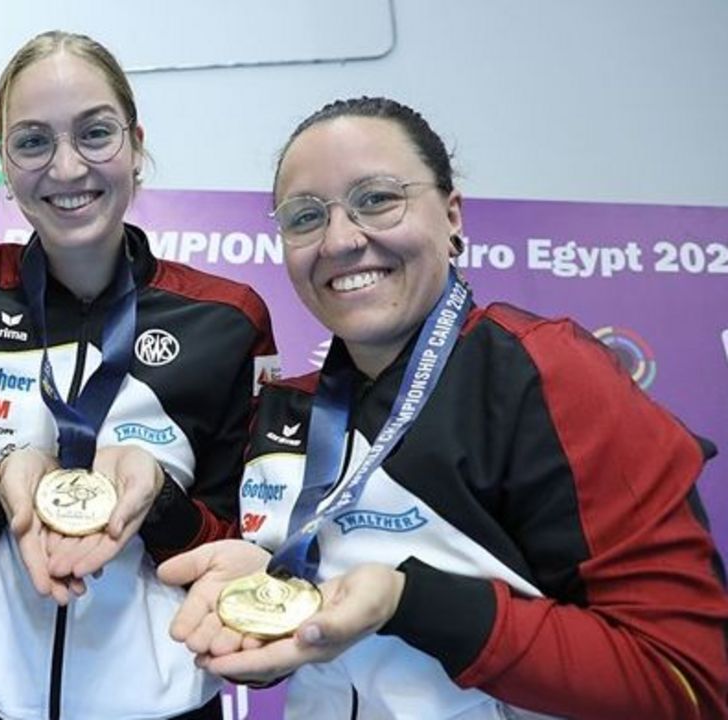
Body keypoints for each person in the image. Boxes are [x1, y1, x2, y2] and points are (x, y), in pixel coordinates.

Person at [159, 96, 728, 719]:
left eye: (377, 198)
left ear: (452, 216)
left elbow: (687, 679)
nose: (342, 239)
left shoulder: (545, 372)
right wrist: (258, 595)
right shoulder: (289, 408)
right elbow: (303, 650)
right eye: (304, 217)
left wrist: (408, 601)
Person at [0, 31, 279, 720]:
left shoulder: (228, 319)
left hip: (159, 704)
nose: (67, 167)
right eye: (32, 142)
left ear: (135, 144)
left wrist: (158, 503)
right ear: (3, 163)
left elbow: (239, 545)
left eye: (95, 133)